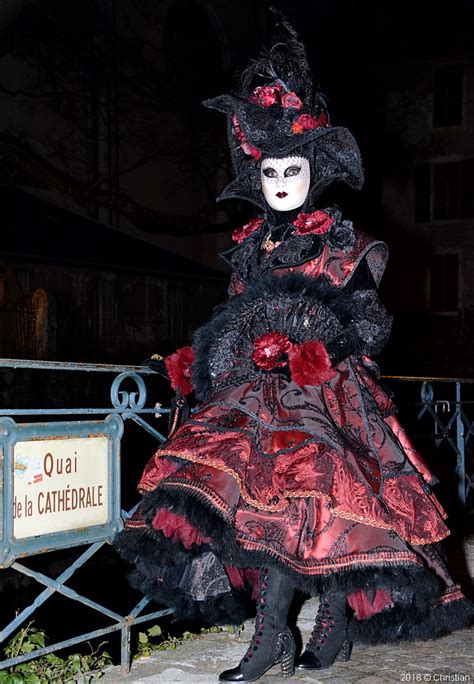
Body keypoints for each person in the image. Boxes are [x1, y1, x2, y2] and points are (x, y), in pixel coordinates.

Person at [115, 16, 473, 682]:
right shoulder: (253, 247)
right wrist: (200, 358)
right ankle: (271, 636)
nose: (282, 179)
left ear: (314, 172)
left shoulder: (346, 244)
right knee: (257, 510)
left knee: (326, 509)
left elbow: (368, 321)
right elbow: (232, 318)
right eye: (272, 169)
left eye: (294, 168)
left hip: (329, 393)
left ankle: (330, 626)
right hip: (254, 398)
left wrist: (321, 345)